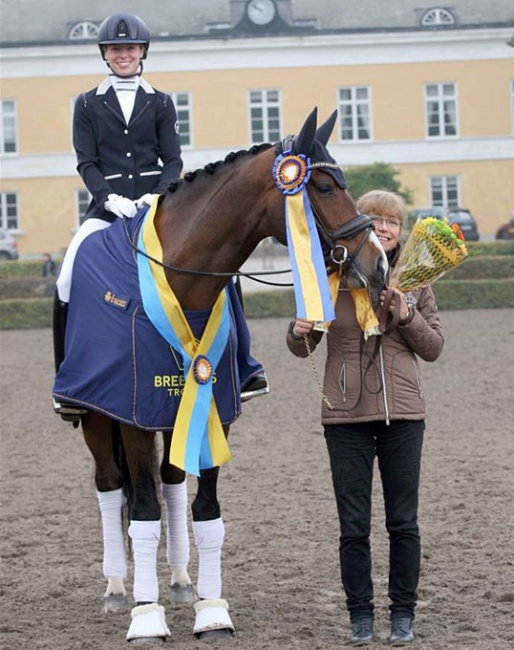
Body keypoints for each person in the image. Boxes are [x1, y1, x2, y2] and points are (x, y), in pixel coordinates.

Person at [53, 12, 268, 419]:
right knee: (67, 274)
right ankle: (69, 378)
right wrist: (109, 197)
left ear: (142, 52)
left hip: (160, 208)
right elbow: (86, 162)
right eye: (116, 49)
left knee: (222, 268)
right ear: (106, 54)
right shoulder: (86, 104)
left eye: (130, 48)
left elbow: (173, 160)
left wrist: (157, 195)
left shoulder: (161, 102)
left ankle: (244, 368)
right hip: (108, 207)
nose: (123, 55)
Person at [286, 190, 444, 646]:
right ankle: (360, 616)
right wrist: (297, 331)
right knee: (353, 525)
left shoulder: (417, 280)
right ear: (358, 225)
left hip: (404, 414)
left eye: (392, 221)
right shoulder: (330, 278)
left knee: (403, 522)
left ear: (400, 229)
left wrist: (407, 312)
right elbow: (304, 347)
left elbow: (433, 348)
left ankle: (402, 615)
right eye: (373, 219)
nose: (383, 227)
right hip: (344, 414)